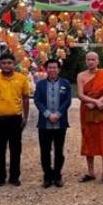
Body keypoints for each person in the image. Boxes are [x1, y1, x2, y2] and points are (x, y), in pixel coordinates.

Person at [0, 52, 30, 187]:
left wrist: (25, 117)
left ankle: (14, 177)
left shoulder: (22, 79)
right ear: (0, 64)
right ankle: (0, 177)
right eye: (4, 63)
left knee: (16, 149)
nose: (6, 65)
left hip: (16, 119)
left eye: (9, 63)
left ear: (14, 64)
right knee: (0, 150)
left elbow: (25, 98)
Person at [77, 52, 103, 185]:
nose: (91, 62)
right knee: (88, 139)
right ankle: (90, 172)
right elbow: (80, 95)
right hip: (87, 110)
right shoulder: (81, 75)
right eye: (88, 59)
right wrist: (94, 102)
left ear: (98, 61)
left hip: (101, 109)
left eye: (93, 59)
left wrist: (99, 102)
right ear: (85, 61)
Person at [34, 59, 72, 188]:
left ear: (58, 69)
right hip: (44, 124)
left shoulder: (65, 83)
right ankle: (47, 176)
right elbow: (37, 101)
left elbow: (67, 101)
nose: (52, 70)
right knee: (45, 151)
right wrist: (48, 114)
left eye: (55, 67)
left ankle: (57, 175)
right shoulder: (40, 84)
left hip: (60, 123)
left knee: (59, 150)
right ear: (46, 69)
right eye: (50, 67)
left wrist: (58, 114)